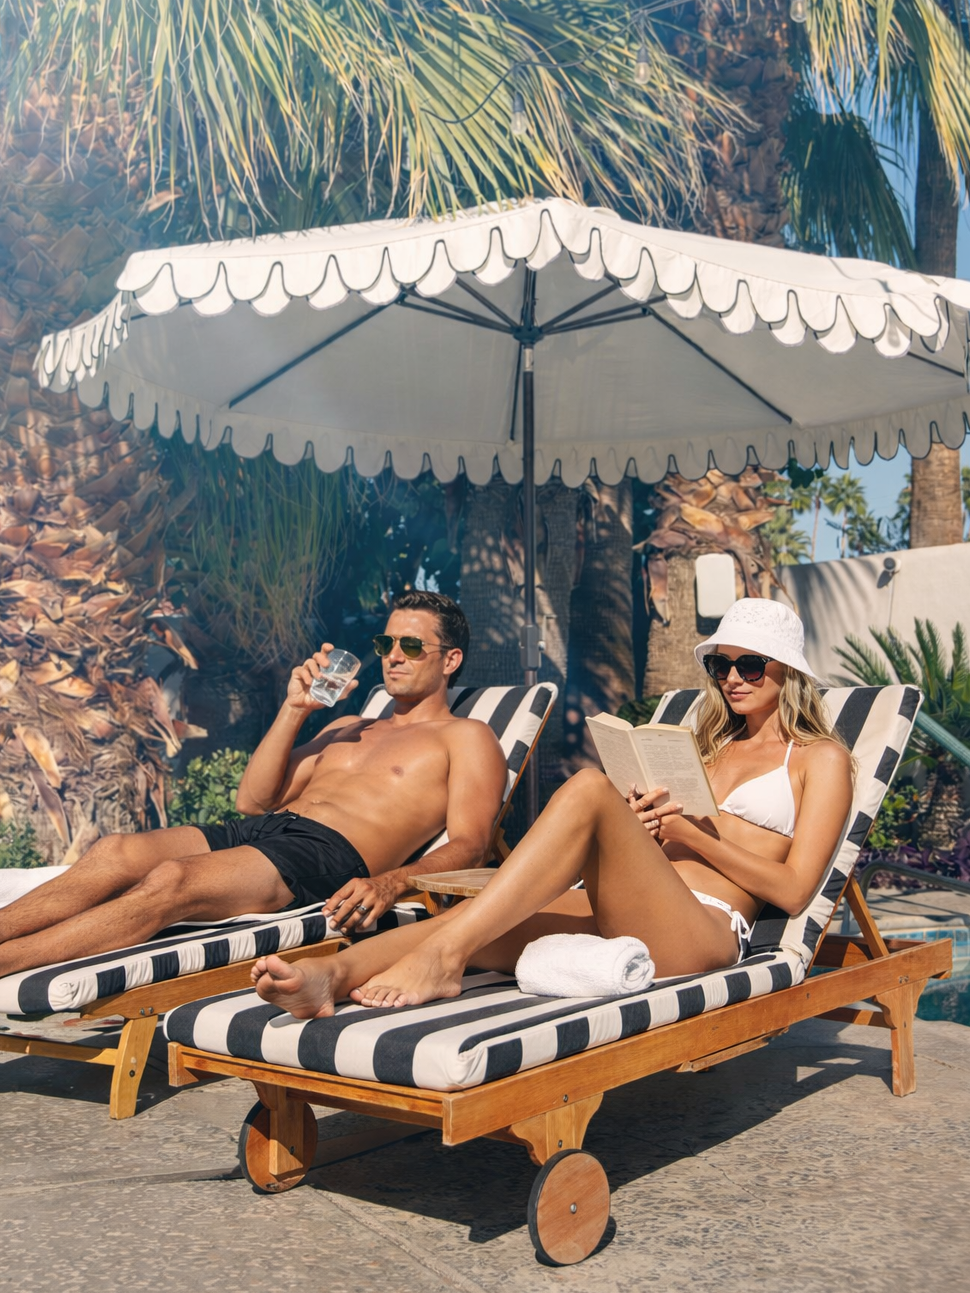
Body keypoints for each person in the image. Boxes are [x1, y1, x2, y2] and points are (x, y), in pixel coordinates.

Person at [251, 598, 854, 1019]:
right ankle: (330, 976)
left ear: (788, 670)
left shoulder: (819, 757)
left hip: (703, 929)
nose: (732, 678)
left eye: (750, 665)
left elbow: (795, 891)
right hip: (628, 903)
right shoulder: (708, 744)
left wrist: (692, 835)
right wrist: (644, 824)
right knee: (479, 919)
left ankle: (443, 961)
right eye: (721, 665)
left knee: (588, 787)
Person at [0, 591, 507, 977]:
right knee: (113, 852)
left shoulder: (467, 737)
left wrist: (392, 882)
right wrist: (294, 709)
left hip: (325, 856)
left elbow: (472, 844)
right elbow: (253, 799)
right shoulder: (347, 725)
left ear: (450, 659)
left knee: (172, 880)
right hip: (266, 831)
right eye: (385, 643)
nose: (393, 656)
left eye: (411, 646)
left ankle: (9, 961)